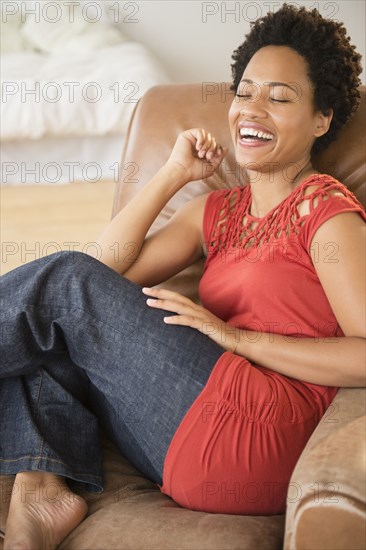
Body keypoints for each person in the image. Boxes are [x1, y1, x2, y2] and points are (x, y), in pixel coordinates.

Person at [1, 3, 365, 548]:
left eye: (280, 97)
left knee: (60, 291)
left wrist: (237, 338)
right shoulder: (215, 210)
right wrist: (173, 175)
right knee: (45, 341)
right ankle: (41, 492)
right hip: (185, 431)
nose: (252, 109)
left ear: (322, 119)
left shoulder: (326, 214)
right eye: (245, 92)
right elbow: (98, 272)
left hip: (259, 431)